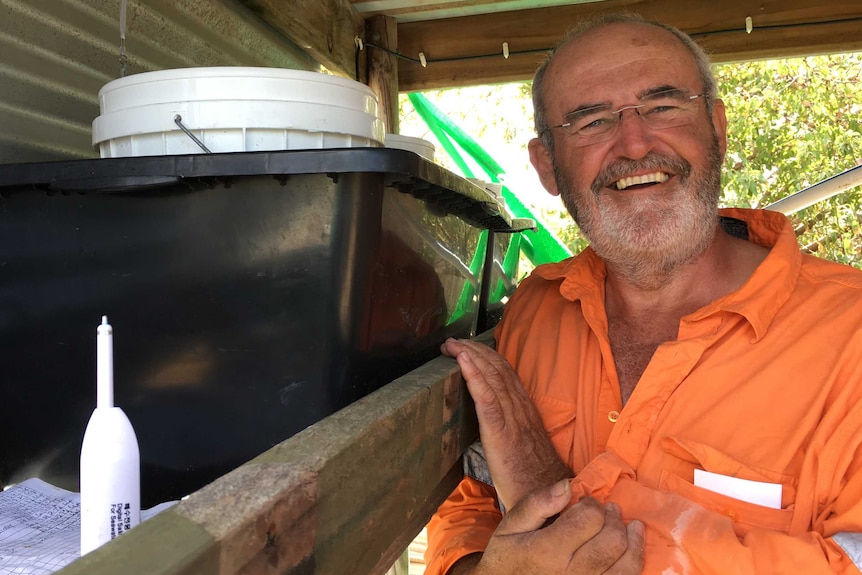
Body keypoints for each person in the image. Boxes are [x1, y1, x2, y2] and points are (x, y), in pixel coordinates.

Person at [424, 12, 862, 575]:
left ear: (718, 129)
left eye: (664, 106)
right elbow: (471, 499)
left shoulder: (850, 336)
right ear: (547, 167)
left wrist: (555, 500)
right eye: (590, 121)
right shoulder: (537, 307)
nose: (633, 144)